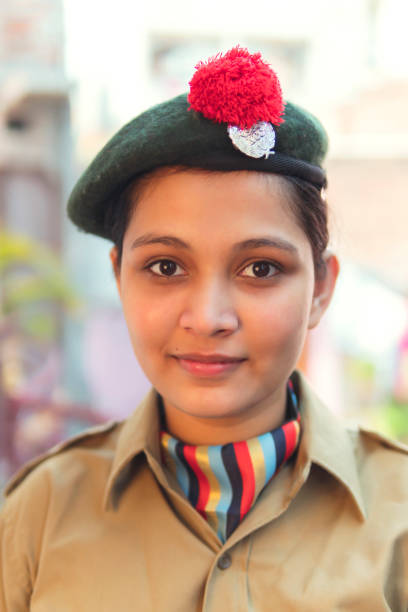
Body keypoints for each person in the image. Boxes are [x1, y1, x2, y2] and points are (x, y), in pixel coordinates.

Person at [1, 46, 408, 611]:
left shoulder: (400, 514)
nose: (209, 318)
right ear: (120, 278)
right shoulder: (38, 515)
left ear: (319, 288)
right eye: (166, 267)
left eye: (260, 269)